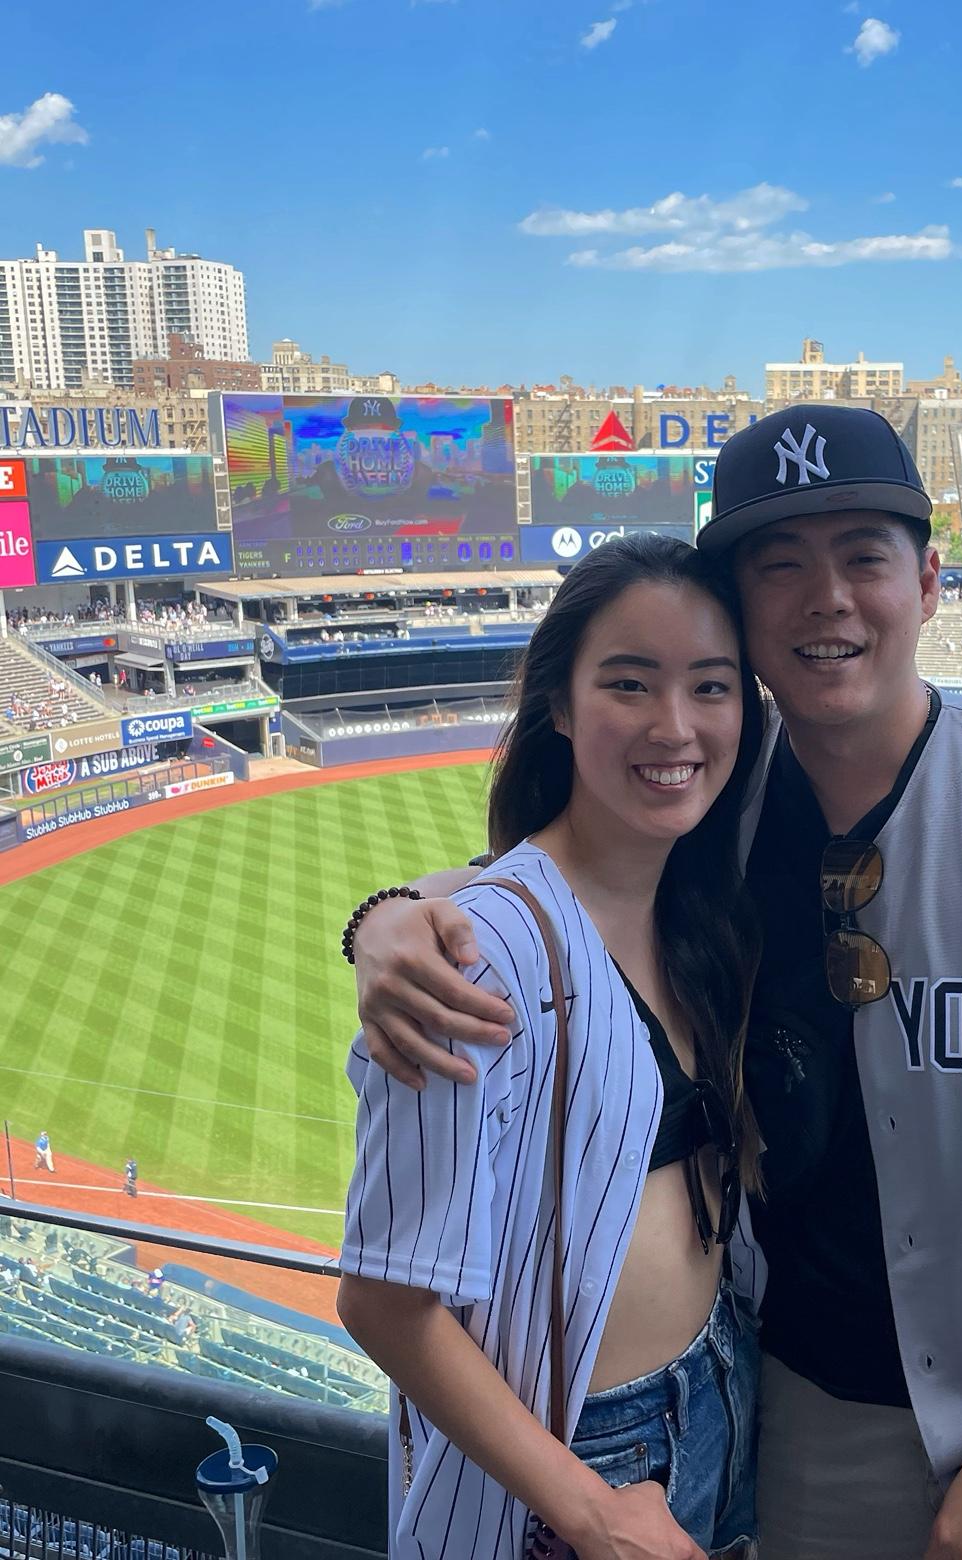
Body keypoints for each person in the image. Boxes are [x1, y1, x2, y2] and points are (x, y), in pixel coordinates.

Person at [352, 406, 962, 1560]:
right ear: (741, 606)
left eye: (863, 557)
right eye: (780, 565)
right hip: (804, 1407)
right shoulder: (717, 809)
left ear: (928, 584)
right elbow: (553, 892)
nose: (825, 597)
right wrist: (387, 922)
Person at [336, 535, 766, 1560]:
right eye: (630, 683)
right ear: (560, 707)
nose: (675, 726)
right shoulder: (476, 956)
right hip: (578, 1460)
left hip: (724, 1388)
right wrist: (589, 1510)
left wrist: (387, 907)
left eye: (711, 686)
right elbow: (385, 1301)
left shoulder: (700, 909)